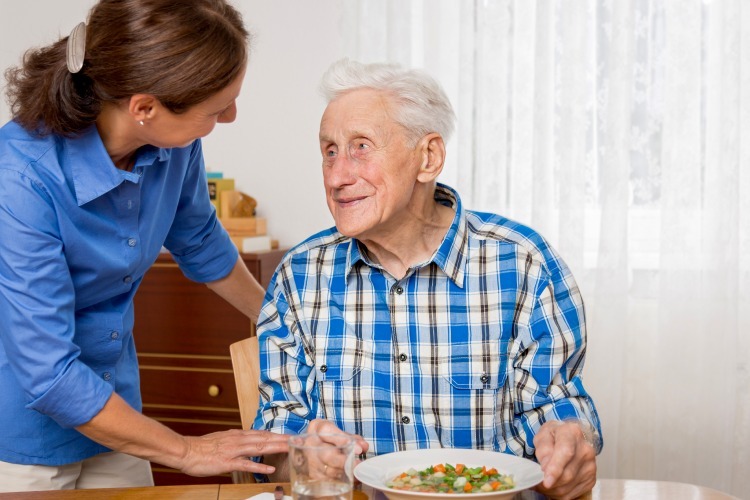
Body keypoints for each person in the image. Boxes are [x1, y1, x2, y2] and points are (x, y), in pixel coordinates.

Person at [253, 59, 602, 500]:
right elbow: (276, 437)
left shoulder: (522, 263)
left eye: (361, 146)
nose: (338, 176)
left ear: (428, 157)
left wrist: (568, 441)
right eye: (329, 151)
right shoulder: (298, 277)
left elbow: (555, 408)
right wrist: (299, 454)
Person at [0, 0, 289, 492]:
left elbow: (199, 240)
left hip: (119, 420)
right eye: (218, 109)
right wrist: (186, 450)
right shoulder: (20, 181)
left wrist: (283, 324)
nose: (232, 116)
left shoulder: (173, 146)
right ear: (144, 108)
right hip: (23, 436)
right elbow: (48, 374)